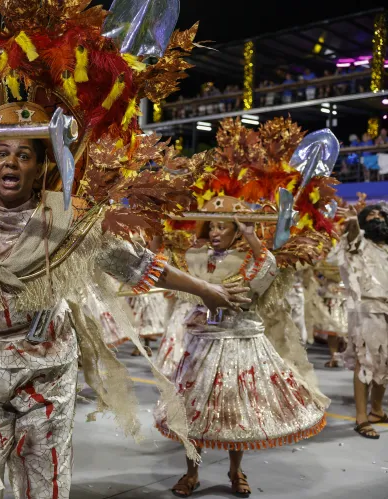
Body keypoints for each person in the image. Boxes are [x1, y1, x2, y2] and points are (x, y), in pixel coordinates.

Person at [0, 103, 251, 498]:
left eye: (24, 155)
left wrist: (207, 290)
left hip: (48, 370)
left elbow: (137, 263)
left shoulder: (68, 221)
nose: (11, 162)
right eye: (2, 153)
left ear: (42, 166)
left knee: (46, 482)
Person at [155, 198, 328, 498]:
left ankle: (236, 471)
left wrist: (251, 236)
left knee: (236, 412)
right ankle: (191, 472)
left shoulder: (249, 259)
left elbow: (266, 273)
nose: (215, 232)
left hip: (239, 344)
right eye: (212, 226)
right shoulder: (196, 257)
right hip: (202, 343)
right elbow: (164, 267)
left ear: (236, 232)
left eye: (223, 227)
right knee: (192, 409)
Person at [337, 204, 388, 439]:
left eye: (381, 215)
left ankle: (376, 410)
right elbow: (353, 238)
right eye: (371, 215)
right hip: (367, 308)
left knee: (385, 363)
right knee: (366, 361)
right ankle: (361, 418)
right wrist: (353, 225)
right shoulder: (359, 244)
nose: (377, 218)